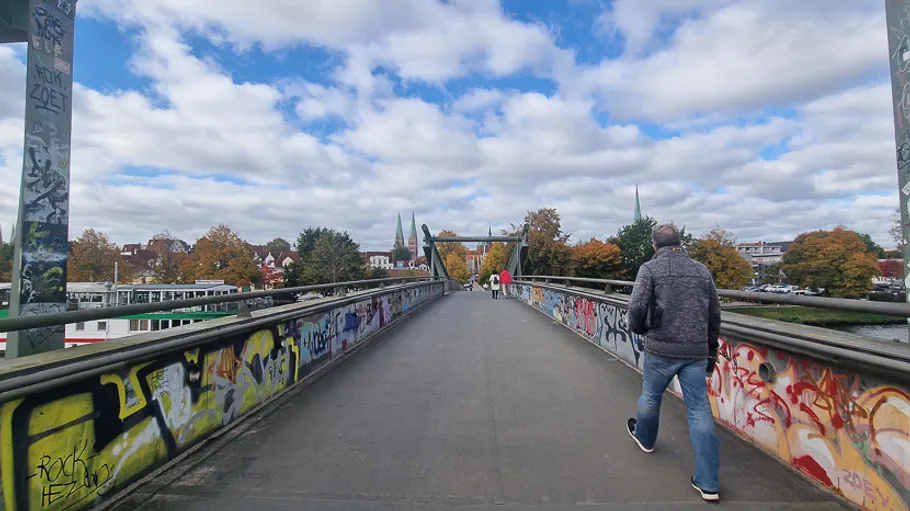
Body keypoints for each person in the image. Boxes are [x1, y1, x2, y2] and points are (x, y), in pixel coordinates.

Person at [626, 223, 721, 502]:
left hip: (660, 349)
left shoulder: (650, 269)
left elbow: (636, 307)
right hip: (694, 351)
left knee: (651, 396)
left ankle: (644, 439)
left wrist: (639, 330)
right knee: (699, 410)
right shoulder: (701, 270)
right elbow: (714, 312)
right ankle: (708, 482)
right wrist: (711, 349)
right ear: (680, 243)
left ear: (655, 246)